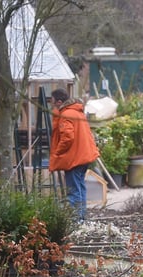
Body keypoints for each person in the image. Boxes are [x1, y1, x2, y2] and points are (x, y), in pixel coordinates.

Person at [49, 88, 100, 222]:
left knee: (74, 190)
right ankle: (81, 217)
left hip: (74, 158)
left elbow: (67, 138)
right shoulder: (77, 112)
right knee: (80, 187)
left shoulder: (66, 114)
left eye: (53, 103)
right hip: (84, 156)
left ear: (59, 102)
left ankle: (76, 220)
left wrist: (57, 153)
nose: (53, 106)